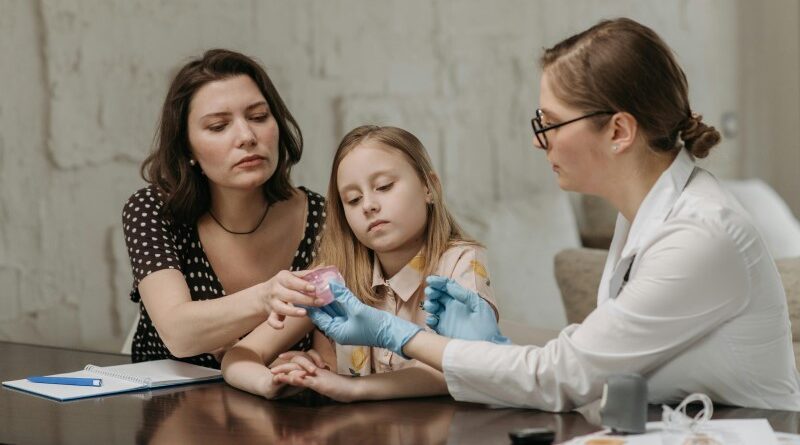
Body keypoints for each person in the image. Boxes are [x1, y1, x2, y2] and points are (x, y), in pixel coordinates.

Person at [303, 18, 800, 411]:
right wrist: (494, 345)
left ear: (619, 131)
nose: (540, 140)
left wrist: (399, 334)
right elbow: (589, 356)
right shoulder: (648, 215)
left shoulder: (698, 236)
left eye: (553, 123)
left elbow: (563, 375)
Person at [221, 125, 499, 401]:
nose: (368, 205)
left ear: (430, 188)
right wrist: (274, 380)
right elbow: (239, 356)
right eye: (353, 199)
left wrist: (352, 387)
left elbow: (465, 366)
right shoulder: (333, 277)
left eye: (384, 186)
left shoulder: (458, 262)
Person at [122, 49, 326, 369]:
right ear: (187, 147)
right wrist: (266, 296)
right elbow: (179, 334)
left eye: (259, 117)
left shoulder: (324, 219)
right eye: (218, 126)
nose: (246, 136)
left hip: (283, 409)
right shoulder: (154, 210)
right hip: (167, 408)